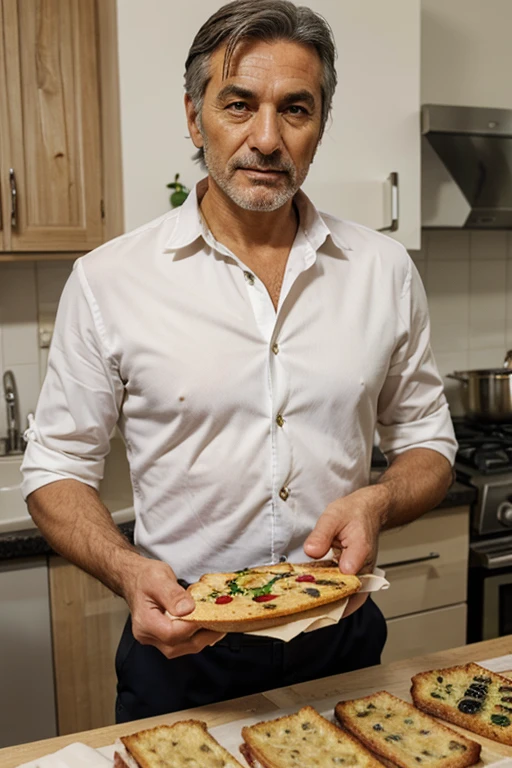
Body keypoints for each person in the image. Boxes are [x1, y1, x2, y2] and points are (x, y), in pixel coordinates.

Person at [21, 0, 456, 723]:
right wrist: (129, 571)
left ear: (320, 123)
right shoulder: (110, 280)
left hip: (340, 642)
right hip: (185, 651)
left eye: (295, 109)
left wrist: (378, 499)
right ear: (196, 119)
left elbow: (430, 444)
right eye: (237, 104)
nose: (266, 138)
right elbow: (55, 467)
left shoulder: (383, 270)